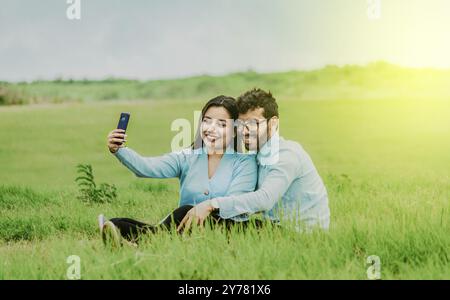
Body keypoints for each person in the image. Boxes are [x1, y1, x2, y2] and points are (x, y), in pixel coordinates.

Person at [100, 95, 259, 247]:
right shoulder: (187, 157)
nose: (211, 129)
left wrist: (207, 207)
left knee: (185, 211)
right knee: (118, 222)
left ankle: (141, 242)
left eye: (222, 124)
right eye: (206, 121)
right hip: (185, 228)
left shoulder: (245, 163)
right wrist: (118, 150)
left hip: (226, 229)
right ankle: (131, 239)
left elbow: (236, 202)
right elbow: (148, 167)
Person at [177, 88, 330, 233]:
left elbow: (265, 199)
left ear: (273, 123)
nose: (244, 131)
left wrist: (212, 204)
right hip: (275, 227)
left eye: (253, 124)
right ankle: (158, 234)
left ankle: (157, 235)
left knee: (213, 217)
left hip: (299, 234)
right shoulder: (258, 154)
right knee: (196, 212)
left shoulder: (286, 154)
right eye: (241, 124)